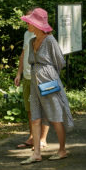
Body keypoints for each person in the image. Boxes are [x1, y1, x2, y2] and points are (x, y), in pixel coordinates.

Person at [19, 8, 74, 165]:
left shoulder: (50, 40)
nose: (28, 24)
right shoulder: (31, 40)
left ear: (36, 24)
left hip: (48, 81)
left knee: (55, 115)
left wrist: (49, 75)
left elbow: (60, 62)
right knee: (35, 116)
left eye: (30, 22)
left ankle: (62, 150)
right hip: (35, 83)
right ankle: (37, 153)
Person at [14, 12, 49, 150]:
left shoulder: (46, 36)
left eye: (29, 20)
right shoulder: (27, 34)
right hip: (28, 76)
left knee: (43, 108)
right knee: (30, 109)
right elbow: (23, 53)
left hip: (41, 78)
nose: (27, 23)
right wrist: (19, 73)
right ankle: (32, 136)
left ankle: (42, 139)